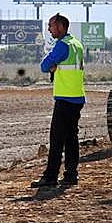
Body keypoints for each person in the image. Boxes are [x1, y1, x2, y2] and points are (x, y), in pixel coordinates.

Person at [31, 13, 85, 189]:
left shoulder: (62, 45)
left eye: (51, 26)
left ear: (60, 26)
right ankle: (71, 175)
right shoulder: (76, 44)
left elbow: (44, 65)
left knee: (56, 139)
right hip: (76, 97)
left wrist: (52, 67)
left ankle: (50, 176)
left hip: (65, 98)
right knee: (71, 138)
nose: (49, 29)